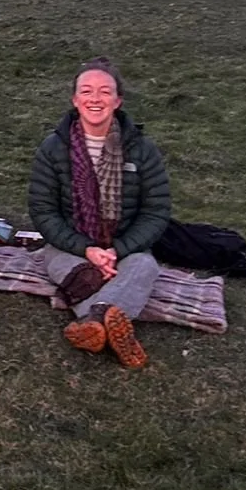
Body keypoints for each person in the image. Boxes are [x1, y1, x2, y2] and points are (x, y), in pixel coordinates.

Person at [26, 58, 171, 369]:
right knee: (68, 266)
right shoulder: (53, 149)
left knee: (145, 265)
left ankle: (93, 323)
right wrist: (86, 249)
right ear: (75, 99)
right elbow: (43, 210)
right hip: (69, 247)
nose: (95, 99)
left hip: (125, 249)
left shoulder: (142, 150)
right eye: (87, 91)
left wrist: (116, 251)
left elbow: (156, 212)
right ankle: (110, 320)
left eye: (105, 92)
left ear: (117, 101)